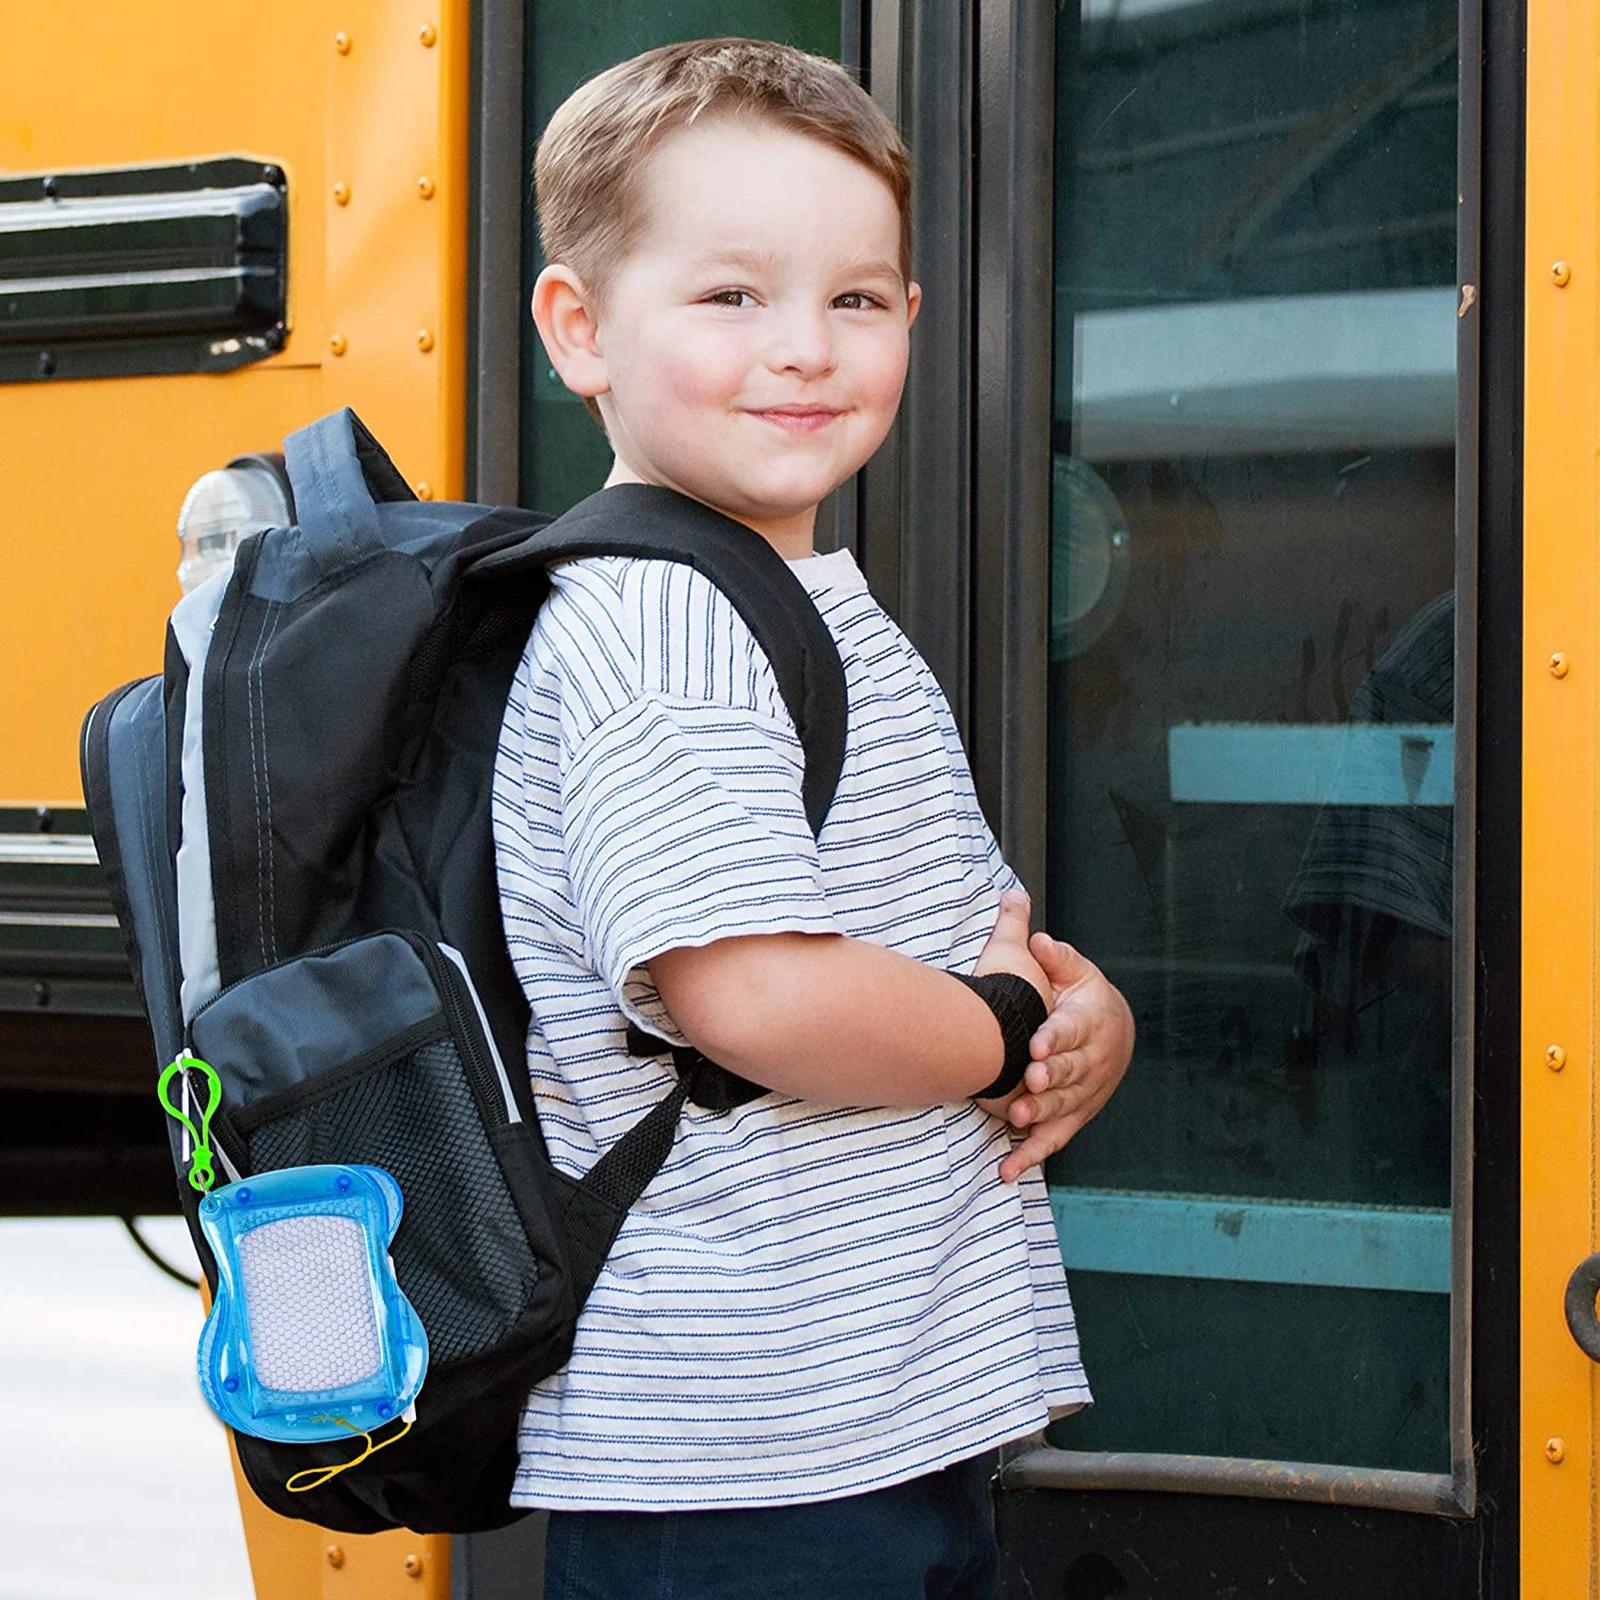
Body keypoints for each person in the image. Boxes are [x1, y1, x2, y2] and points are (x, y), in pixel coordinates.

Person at [491, 37, 1135, 1599]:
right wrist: (1000, 1031)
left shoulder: (789, 599)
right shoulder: (665, 623)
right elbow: (753, 995)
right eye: (731, 295)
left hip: (855, 1414)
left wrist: (1076, 1022)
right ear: (580, 330)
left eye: (854, 299)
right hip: (749, 1449)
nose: (803, 348)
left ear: (912, 315)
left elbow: (911, 931)